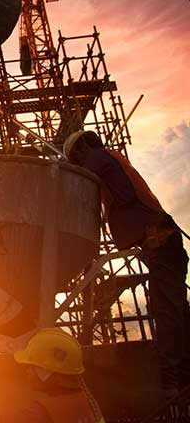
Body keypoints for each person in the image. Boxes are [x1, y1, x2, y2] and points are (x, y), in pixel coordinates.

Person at [63, 130, 190, 397]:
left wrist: (58, 171)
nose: (78, 161)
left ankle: (173, 380)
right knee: (173, 307)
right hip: (163, 244)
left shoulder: (98, 158)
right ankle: (181, 373)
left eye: (77, 156)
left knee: (167, 310)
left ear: (84, 148)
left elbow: (77, 177)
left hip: (162, 243)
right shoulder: (110, 161)